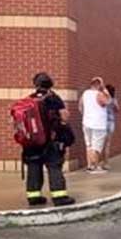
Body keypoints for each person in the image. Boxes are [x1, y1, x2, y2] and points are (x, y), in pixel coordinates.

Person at [23, 73, 75, 207]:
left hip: (33, 142)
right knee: (54, 167)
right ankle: (59, 197)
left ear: (35, 84)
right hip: (51, 140)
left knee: (34, 167)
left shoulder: (29, 99)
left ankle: (33, 196)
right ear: (50, 84)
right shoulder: (54, 99)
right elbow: (64, 117)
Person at [79, 76, 110, 173]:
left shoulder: (85, 93)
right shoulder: (99, 94)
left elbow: (80, 106)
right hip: (98, 124)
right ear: (99, 85)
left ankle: (89, 166)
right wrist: (106, 92)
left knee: (89, 145)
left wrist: (86, 115)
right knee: (96, 147)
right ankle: (94, 167)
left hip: (86, 122)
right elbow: (107, 102)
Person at [104, 84, 120, 168]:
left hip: (102, 122)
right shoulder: (113, 99)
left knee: (100, 143)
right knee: (107, 144)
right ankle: (106, 163)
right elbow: (117, 109)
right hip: (111, 122)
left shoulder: (103, 98)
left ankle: (96, 162)